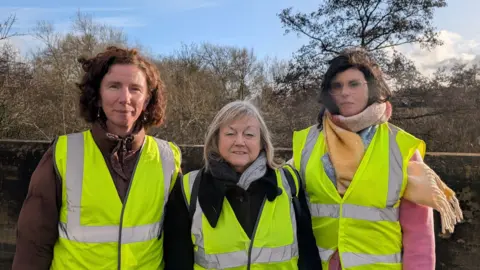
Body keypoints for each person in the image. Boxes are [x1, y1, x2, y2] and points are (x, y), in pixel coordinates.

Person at [291, 48, 463, 270]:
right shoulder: (307, 142)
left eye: (354, 84)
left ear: (371, 87)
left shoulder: (399, 146)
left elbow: (419, 233)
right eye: (337, 85)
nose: (344, 92)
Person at [12, 46, 182, 269]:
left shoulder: (167, 157)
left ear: (147, 99)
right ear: (98, 96)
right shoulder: (63, 153)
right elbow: (34, 243)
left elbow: (177, 242)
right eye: (114, 86)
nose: (125, 98)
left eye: (135, 88)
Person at [163, 100, 321, 269]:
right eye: (230, 134)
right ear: (216, 139)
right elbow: (177, 260)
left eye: (249, 134)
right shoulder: (188, 188)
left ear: (262, 141)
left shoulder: (290, 183)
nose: (239, 141)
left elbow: (308, 255)